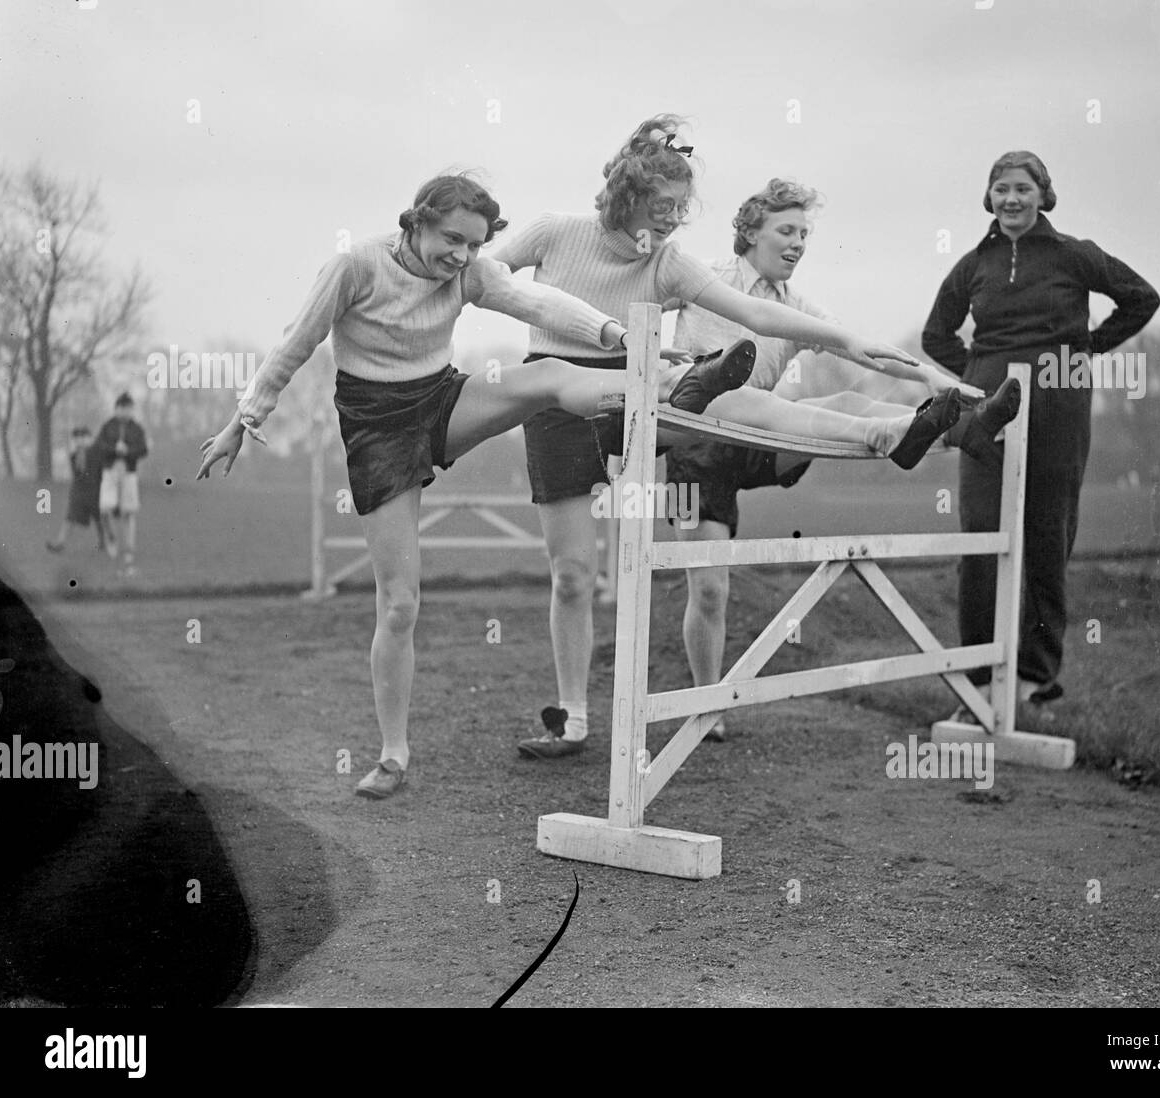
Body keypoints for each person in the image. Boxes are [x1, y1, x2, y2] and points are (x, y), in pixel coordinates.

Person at [195, 173, 753, 800]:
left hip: (439, 401)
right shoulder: (356, 267)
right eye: (451, 239)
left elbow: (540, 305)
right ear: (416, 221)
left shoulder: (471, 273)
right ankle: (393, 755)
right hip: (378, 432)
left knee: (544, 375)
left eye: (473, 244)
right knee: (400, 602)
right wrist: (243, 419)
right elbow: (297, 341)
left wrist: (622, 337)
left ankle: (671, 391)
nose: (460, 256)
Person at [491, 116, 1008, 760]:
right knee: (577, 574)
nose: (673, 223)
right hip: (609, 412)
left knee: (814, 401)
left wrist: (929, 373)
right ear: (628, 196)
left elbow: (784, 322)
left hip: (670, 408)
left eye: (681, 211)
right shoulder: (562, 233)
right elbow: (485, 275)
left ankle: (930, 424)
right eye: (663, 208)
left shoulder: (676, 264)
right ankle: (574, 717)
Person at [663, 178, 1023, 740]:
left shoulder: (798, 307)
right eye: (786, 230)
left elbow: (861, 346)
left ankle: (963, 432)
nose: (799, 242)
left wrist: (931, 374)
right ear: (750, 232)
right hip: (698, 445)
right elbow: (636, 293)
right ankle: (707, 705)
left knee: (846, 402)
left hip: (761, 435)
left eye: (805, 233)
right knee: (709, 589)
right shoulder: (705, 279)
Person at [922, 151, 1159, 726]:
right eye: (1001, 188)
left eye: (1023, 189)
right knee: (980, 540)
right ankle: (978, 683)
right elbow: (936, 335)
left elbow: (1141, 298)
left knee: (1045, 540)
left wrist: (1089, 350)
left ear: (1042, 195)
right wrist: (979, 373)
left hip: (1058, 411)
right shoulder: (973, 264)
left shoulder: (1074, 255)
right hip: (987, 421)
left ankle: (1034, 678)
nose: (1011, 199)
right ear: (989, 197)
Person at [96, 393, 149, 573]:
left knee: (129, 512)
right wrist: (113, 449)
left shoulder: (137, 428)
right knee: (104, 508)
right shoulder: (107, 426)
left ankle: (128, 550)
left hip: (128, 473)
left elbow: (143, 450)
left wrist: (128, 451)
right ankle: (111, 537)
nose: (125, 412)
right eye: (122, 408)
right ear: (116, 408)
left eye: (129, 408)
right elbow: (99, 447)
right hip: (110, 472)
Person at [46, 426, 106, 554]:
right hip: (79, 493)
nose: (80, 441)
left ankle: (104, 542)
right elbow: (78, 474)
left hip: (96, 492)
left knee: (100, 519)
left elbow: (101, 473)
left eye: (83, 437)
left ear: (90, 438)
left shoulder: (98, 454)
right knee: (70, 517)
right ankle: (59, 543)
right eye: (77, 438)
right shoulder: (74, 456)